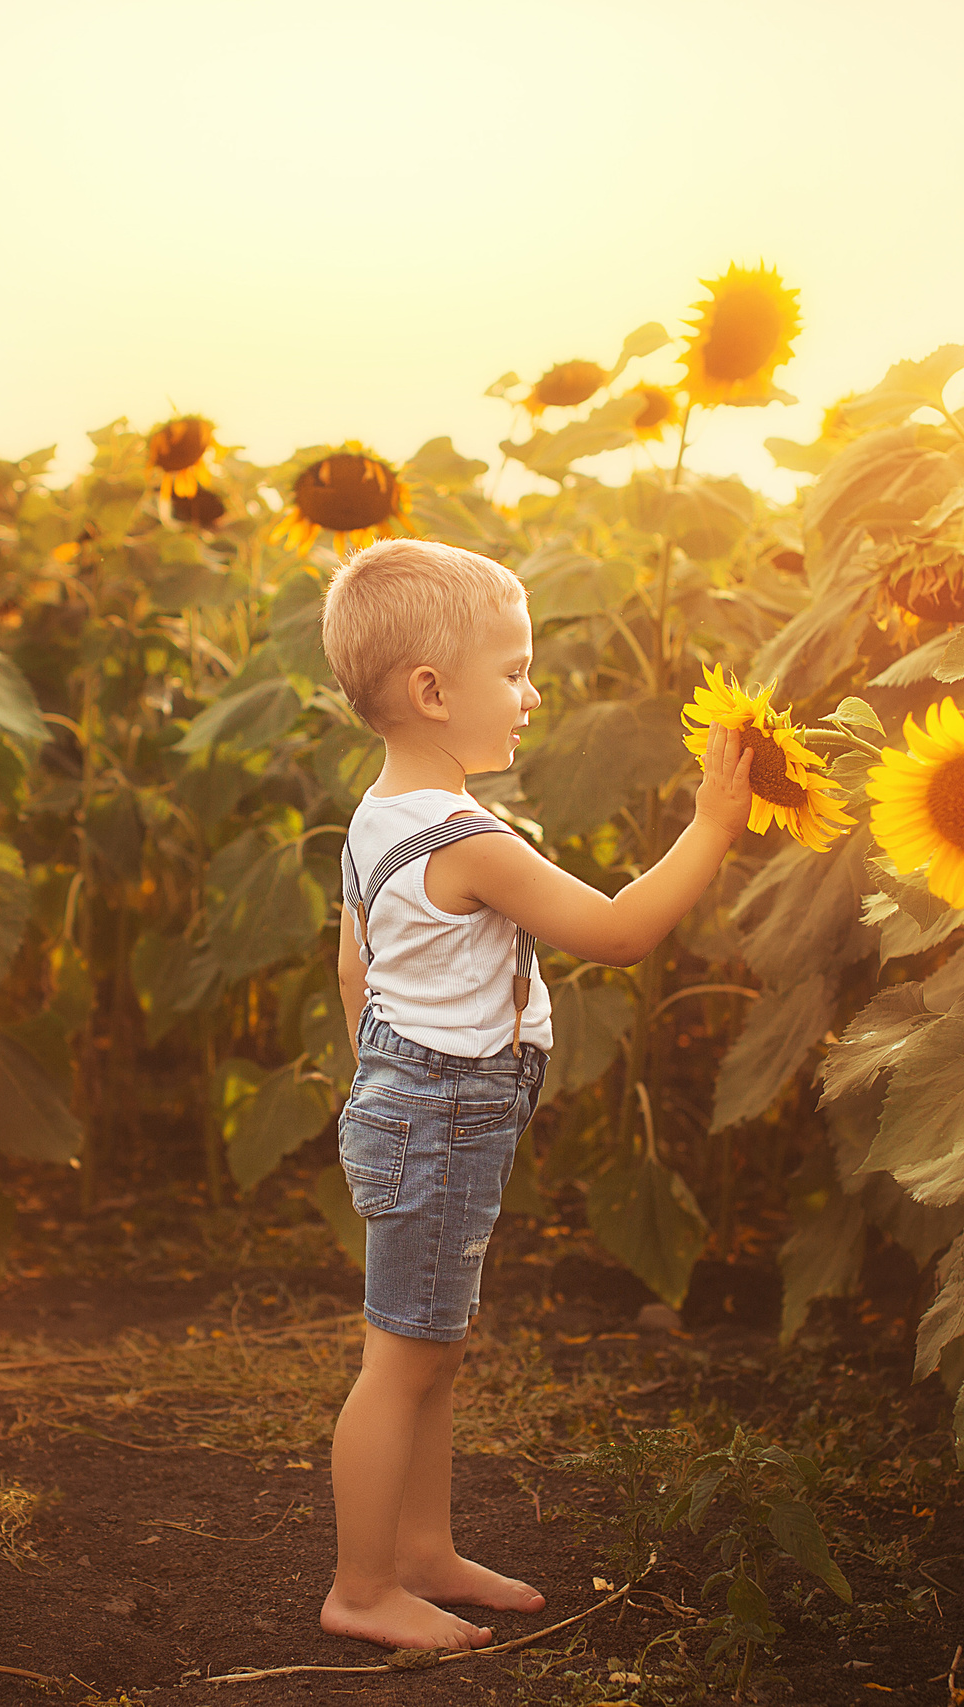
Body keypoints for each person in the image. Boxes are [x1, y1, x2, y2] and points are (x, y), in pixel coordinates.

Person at [316, 538, 753, 1651]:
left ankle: (421, 1552)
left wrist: (390, 1078)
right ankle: (361, 1588)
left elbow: (355, 974)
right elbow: (617, 932)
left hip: (409, 1101)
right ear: (430, 692)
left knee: (432, 1349)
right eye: (511, 670)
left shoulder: (377, 820)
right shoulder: (470, 840)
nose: (531, 693)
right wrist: (710, 824)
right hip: (442, 1114)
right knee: (400, 1359)